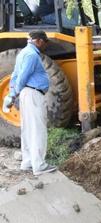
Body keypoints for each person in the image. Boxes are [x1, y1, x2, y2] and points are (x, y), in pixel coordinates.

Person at [2, 30, 56, 176]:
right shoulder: (32, 55)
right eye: (44, 42)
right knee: (38, 129)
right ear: (38, 41)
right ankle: (39, 165)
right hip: (33, 94)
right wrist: (12, 95)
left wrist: (11, 94)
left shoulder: (23, 54)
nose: (45, 46)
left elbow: (15, 76)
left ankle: (27, 162)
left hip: (26, 94)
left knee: (27, 128)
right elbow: (23, 77)